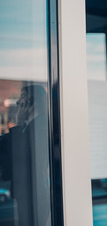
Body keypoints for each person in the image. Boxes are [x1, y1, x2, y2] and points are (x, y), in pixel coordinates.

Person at [0, 85, 51, 226]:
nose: (17, 103)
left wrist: (18, 122)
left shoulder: (41, 126)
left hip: (34, 196)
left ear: (32, 102)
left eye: (22, 99)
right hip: (29, 194)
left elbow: (21, 157)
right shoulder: (30, 126)